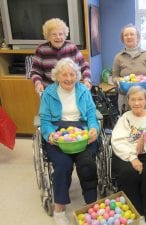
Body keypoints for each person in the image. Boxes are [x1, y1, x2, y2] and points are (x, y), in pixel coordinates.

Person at [39, 58, 99, 225]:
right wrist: (50, 135)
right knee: (63, 165)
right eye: (64, 74)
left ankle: (91, 204)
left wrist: (94, 129)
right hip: (58, 135)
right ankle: (59, 209)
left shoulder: (83, 91)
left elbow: (92, 115)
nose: (68, 78)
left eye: (72, 74)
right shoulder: (49, 93)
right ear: (57, 76)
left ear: (77, 76)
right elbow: (44, 120)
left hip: (82, 133)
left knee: (86, 163)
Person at [111, 86, 146, 225]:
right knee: (128, 173)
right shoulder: (125, 118)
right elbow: (117, 141)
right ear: (128, 101)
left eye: (140, 99)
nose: (137, 103)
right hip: (128, 154)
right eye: (133, 99)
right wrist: (133, 158)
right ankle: (137, 215)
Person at [30, 18, 92, 94]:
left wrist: (86, 80)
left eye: (60, 34)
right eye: (54, 34)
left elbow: (84, 66)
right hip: (50, 92)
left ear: (65, 35)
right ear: (48, 36)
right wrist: (38, 83)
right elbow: (35, 71)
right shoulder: (41, 50)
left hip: (71, 90)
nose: (58, 37)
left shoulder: (71, 47)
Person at [112, 24, 146, 113]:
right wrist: (118, 80)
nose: (129, 37)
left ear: (137, 37)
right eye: (126, 35)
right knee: (128, 124)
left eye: (132, 34)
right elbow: (114, 76)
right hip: (126, 97)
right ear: (123, 39)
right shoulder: (118, 57)